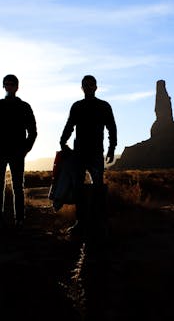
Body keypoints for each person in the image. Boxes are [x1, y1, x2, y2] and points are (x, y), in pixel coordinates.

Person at [59, 75, 117, 236]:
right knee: (78, 188)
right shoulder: (77, 106)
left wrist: (112, 148)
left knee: (98, 187)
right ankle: (80, 222)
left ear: (96, 87)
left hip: (96, 152)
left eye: (91, 85)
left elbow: (112, 127)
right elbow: (70, 125)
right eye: (86, 85)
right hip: (79, 153)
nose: (88, 87)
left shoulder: (104, 106)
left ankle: (100, 222)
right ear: (82, 88)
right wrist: (63, 142)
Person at [0, 74, 37, 228]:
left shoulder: (24, 107)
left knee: (18, 187)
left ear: (17, 87)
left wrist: (25, 149)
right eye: (7, 84)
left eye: (12, 84)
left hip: (17, 153)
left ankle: (19, 219)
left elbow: (33, 132)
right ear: (3, 86)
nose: (9, 86)